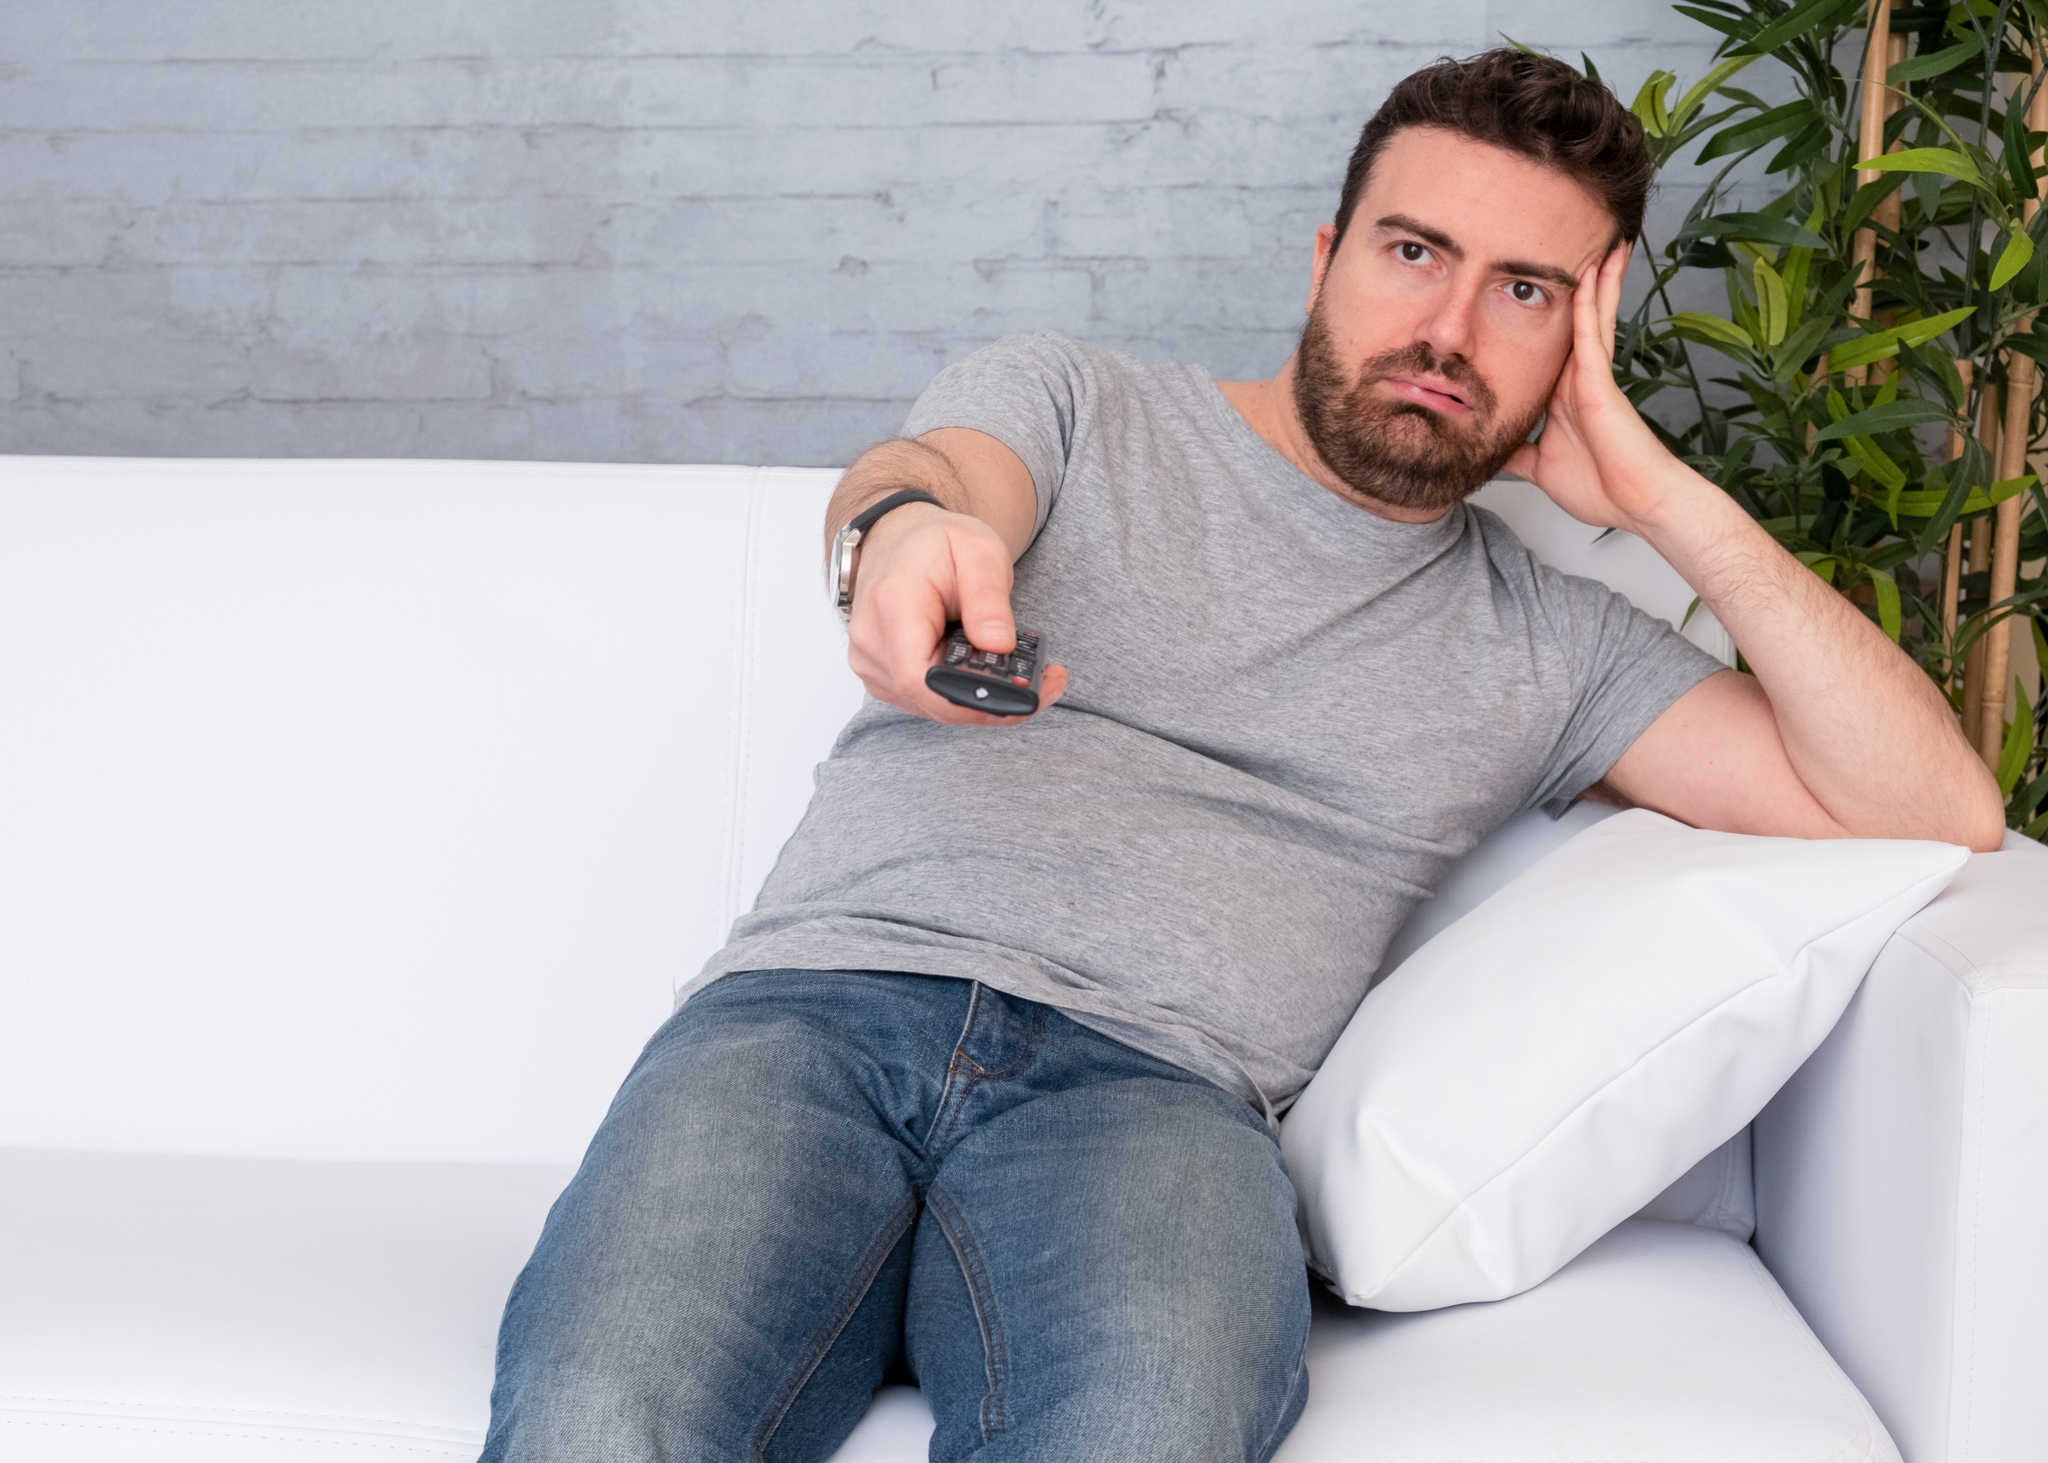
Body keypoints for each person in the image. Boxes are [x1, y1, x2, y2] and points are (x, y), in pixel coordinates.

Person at [480, 48, 2003, 1463]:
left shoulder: (1554, 644)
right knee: (600, 1415)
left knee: (1141, 1431)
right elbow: (939, 475)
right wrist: (904, 536)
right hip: (809, 1014)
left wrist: (1666, 499)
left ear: (1583, 340)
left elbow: (1933, 808)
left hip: (1154, 1097)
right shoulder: (1082, 406)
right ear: (1326, 255)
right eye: (1414, 252)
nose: (1449, 331)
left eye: (1525, 291)